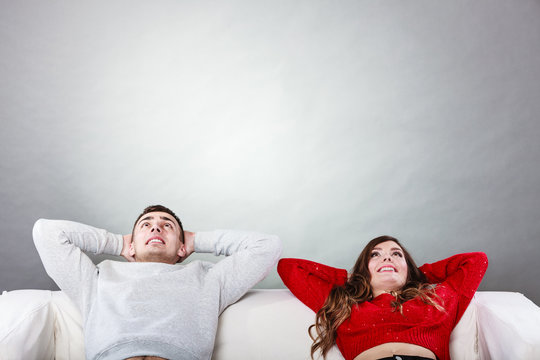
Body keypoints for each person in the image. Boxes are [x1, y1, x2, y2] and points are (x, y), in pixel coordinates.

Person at [33, 204, 282, 360]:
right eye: (146, 225)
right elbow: (46, 232)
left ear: (182, 247)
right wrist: (117, 243)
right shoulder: (96, 277)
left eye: (167, 226)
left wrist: (196, 240)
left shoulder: (208, 278)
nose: (156, 229)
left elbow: (267, 246)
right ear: (132, 243)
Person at [278, 235, 488, 360]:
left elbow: (476, 260)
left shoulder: (434, 300)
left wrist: (417, 274)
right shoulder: (343, 303)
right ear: (364, 269)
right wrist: (350, 277)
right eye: (375, 254)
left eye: (397, 254)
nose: (387, 256)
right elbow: (288, 267)